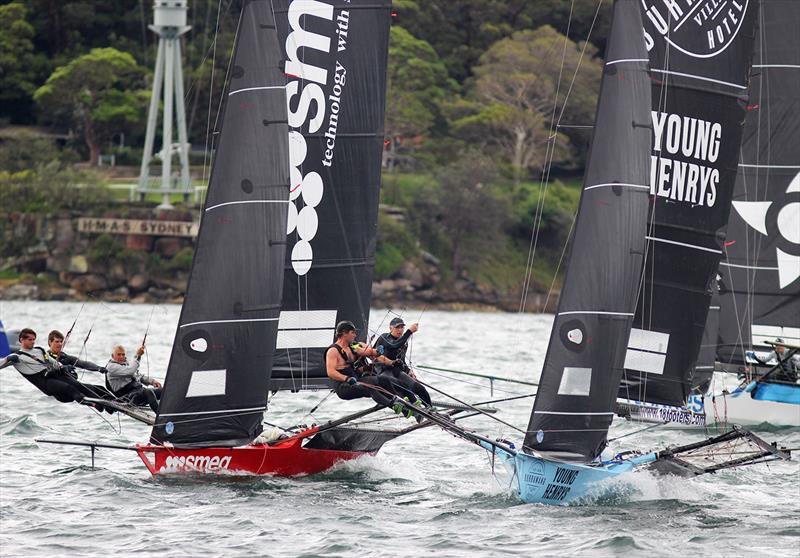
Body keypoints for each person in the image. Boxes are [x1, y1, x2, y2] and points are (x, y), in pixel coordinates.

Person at [0, 328, 111, 407]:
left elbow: (53, 362)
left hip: (53, 377)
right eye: (30, 339)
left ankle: (108, 404)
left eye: (34, 339)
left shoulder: (39, 350)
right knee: (70, 388)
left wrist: (64, 367)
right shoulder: (16, 357)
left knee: (81, 386)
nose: (33, 342)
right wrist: (8, 359)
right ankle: (93, 403)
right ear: (21, 340)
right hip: (45, 383)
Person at [326, 320, 407, 411]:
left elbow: (368, 351)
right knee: (370, 387)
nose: (355, 335)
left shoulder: (352, 346)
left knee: (383, 380)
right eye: (353, 333)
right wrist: (346, 379)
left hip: (356, 380)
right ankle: (395, 406)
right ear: (344, 333)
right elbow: (331, 372)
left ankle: (400, 400)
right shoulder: (333, 351)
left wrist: (377, 351)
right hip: (343, 387)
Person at [373, 318, 432, 407]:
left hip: (396, 371)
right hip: (383, 371)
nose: (400, 330)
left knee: (419, 388)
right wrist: (409, 331)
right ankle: (411, 408)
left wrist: (409, 371)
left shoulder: (403, 342)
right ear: (390, 328)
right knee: (402, 389)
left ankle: (430, 409)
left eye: (402, 328)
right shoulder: (384, 338)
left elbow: (402, 360)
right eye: (397, 327)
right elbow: (393, 345)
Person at [106, 345, 162, 412]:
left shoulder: (125, 365)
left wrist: (152, 381)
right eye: (119, 354)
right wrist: (138, 355)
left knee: (164, 391)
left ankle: (172, 413)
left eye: (123, 354)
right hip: (127, 398)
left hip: (138, 393)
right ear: (113, 356)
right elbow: (130, 371)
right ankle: (161, 417)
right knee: (148, 392)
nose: (121, 357)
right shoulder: (111, 367)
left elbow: (137, 375)